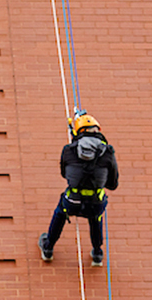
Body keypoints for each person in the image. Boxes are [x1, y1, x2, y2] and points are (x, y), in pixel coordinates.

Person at [39, 110, 119, 266]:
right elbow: (113, 184)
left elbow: (64, 174)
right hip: (96, 202)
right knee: (96, 218)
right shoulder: (108, 152)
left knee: (60, 212)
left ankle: (48, 248)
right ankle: (97, 253)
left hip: (72, 201)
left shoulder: (68, 150)